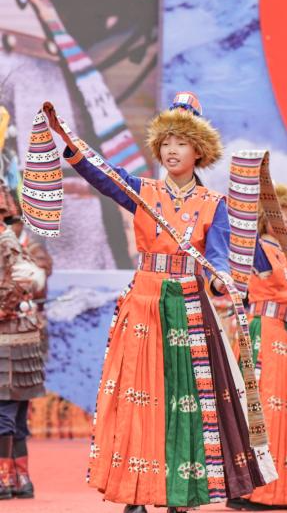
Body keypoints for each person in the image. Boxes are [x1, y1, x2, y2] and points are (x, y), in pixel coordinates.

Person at [44, 92, 273, 513]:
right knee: (136, 394)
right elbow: (102, 174)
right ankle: (134, 492)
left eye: (181, 142)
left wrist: (220, 280)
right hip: (144, 302)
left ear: (198, 151)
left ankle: (179, 494)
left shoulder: (214, 205)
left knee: (185, 398)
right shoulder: (142, 191)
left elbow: (217, 258)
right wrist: (66, 137)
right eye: (166, 142)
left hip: (187, 306)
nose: (171, 149)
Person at [229, 184, 287, 511]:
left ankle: (275, 491)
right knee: (261, 408)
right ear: (266, 217)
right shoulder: (259, 249)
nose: (284, 220)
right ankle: (254, 491)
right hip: (261, 333)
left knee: (280, 411)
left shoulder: (286, 257)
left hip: (281, 336)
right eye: (279, 214)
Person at [0, 182, 48, 499]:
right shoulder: (10, 240)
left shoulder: (6, 241)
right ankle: (20, 479)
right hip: (22, 334)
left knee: (6, 409)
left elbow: (20, 283)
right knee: (14, 411)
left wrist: (5, 307)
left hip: (8, 336)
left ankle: (5, 480)